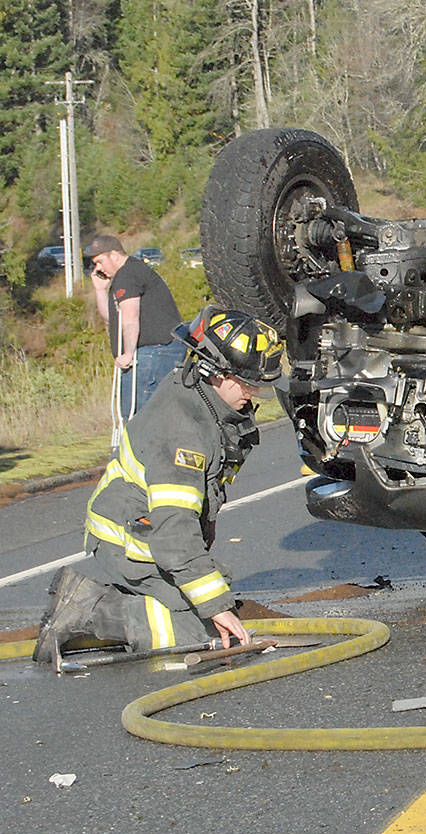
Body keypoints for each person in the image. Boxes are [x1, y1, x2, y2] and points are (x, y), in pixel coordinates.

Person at [33, 305, 285, 664]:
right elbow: (174, 533)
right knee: (201, 633)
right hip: (129, 539)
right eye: (248, 383)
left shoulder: (203, 401)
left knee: (213, 598)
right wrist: (215, 608)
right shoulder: (183, 432)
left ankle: (142, 595)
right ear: (216, 372)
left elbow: (200, 502)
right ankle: (88, 611)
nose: (255, 394)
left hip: (150, 533)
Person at [85, 234, 186, 416]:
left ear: (114, 255)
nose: (98, 268)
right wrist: (100, 290)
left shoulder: (128, 275)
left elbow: (130, 319)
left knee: (138, 415)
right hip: (158, 350)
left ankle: (143, 445)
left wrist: (128, 353)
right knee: (146, 415)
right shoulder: (127, 274)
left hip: (154, 351)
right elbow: (112, 319)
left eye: (100, 262)